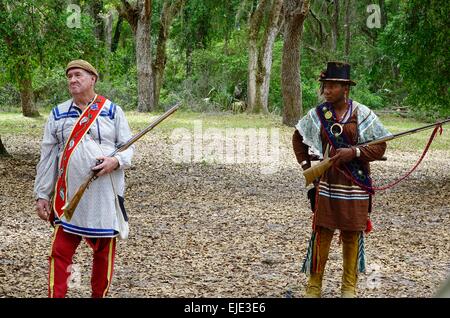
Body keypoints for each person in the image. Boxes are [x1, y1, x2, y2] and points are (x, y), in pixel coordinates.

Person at [34, 59, 134, 298]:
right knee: (59, 253)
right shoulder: (58, 114)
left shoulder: (112, 111)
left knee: (103, 254)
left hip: (103, 197)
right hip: (69, 199)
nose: (72, 80)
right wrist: (41, 194)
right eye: (69, 76)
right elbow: (48, 157)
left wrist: (115, 161)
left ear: (92, 79)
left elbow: (128, 148)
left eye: (78, 75)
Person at [293, 61, 391, 298]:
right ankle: (313, 286)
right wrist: (308, 167)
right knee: (322, 232)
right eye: (325, 85)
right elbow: (298, 138)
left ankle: (349, 288)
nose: (327, 90)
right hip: (326, 183)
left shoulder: (362, 113)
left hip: (356, 185)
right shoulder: (318, 114)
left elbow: (379, 147)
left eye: (333, 85)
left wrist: (354, 152)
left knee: (351, 233)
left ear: (345, 88)